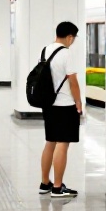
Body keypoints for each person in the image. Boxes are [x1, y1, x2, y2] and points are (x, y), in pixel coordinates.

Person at [38, 21, 83, 198]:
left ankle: (45, 183)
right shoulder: (66, 54)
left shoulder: (45, 50)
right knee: (62, 144)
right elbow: (73, 82)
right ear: (70, 37)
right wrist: (78, 103)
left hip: (48, 104)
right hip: (64, 105)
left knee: (50, 142)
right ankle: (57, 187)